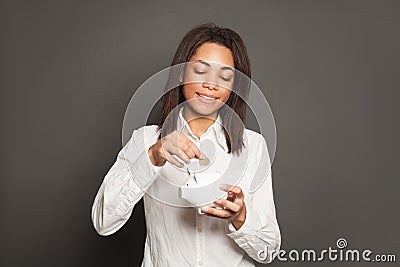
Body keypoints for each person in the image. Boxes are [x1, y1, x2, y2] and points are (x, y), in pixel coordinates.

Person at [91, 23, 281, 266]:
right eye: (200, 71)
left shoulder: (253, 145)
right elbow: (103, 221)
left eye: (224, 76)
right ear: (180, 74)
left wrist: (240, 217)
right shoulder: (146, 140)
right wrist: (153, 157)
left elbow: (268, 251)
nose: (212, 85)